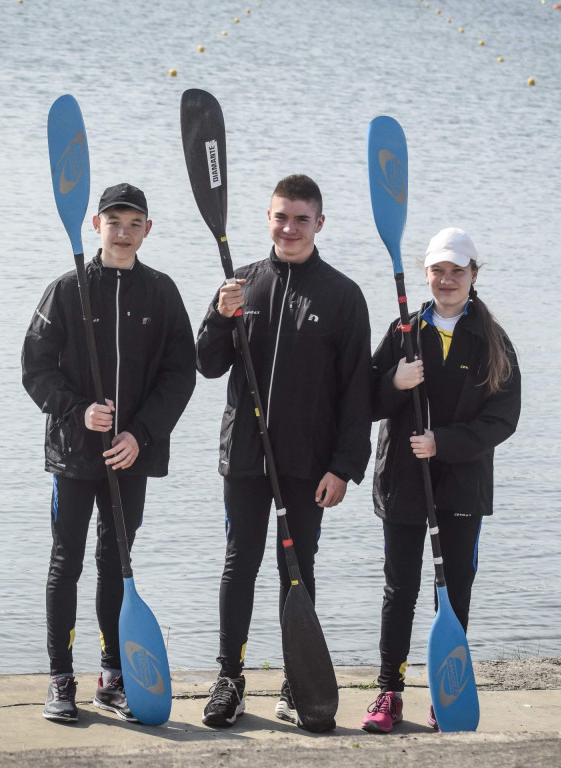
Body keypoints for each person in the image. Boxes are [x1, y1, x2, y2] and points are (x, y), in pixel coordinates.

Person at [196, 174, 372, 728]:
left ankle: (298, 682)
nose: (289, 228)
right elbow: (206, 362)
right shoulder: (241, 282)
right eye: (280, 217)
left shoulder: (342, 295)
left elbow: (357, 394)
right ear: (267, 219)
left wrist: (345, 467)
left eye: (301, 218)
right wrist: (219, 318)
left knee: (297, 567)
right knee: (238, 564)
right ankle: (231, 678)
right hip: (245, 457)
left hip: (306, 464)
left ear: (319, 223)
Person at [22, 183, 196, 724]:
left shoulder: (162, 293)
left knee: (115, 563)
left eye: (134, 223)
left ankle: (112, 675)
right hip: (75, 456)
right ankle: (59, 678)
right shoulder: (66, 290)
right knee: (66, 562)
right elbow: (36, 368)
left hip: (130, 456)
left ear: (148, 229)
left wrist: (140, 434)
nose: (123, 232)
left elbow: (180, 374)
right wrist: (77, 411)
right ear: (96, 224)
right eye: (114, 221)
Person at [360, 227, 521, 733]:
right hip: (404, 484)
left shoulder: (492, 339)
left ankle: (444, 692)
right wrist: (394, 381)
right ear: (426, 274)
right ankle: (389, 691)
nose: (447, 280)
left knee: (452, 594)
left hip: (462, 489)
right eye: (438, 271)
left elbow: (503, 418)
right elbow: (365, 401)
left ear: (474, 275)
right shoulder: (404, 331)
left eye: (457, 271)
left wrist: (443, 443)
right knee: (400, 589)